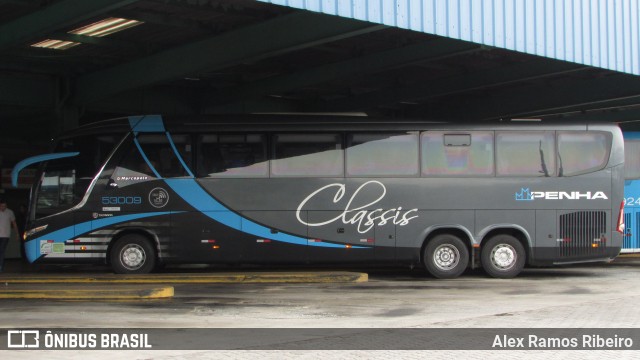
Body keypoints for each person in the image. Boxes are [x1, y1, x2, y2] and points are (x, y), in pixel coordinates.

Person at [0, 199, 20, 272]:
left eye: (5, 206)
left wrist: (17, 233)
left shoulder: (10, 212)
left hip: (5, 235)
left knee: (2, 250)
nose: (3, 208)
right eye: (2, 206)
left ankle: (1, 266)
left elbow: (14, 223)